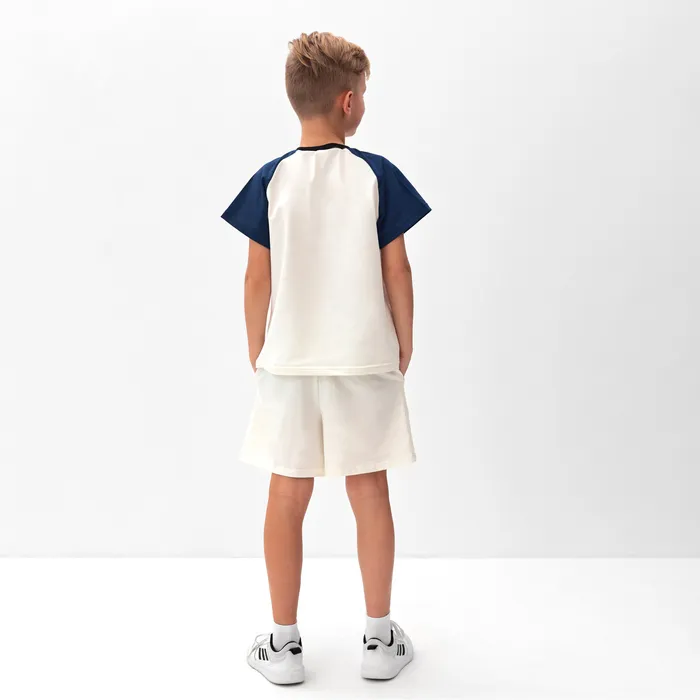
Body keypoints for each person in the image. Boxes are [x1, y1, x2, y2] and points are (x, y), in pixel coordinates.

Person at [221, 30, 431, 685]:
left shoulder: (271, 179)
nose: (364, 102)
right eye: (363, 92)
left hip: (289, 361)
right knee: (370, 491)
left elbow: (257, 277)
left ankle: (283, 645)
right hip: (363, 358)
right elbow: (397, 269)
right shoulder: (376, 175)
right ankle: (379, 638)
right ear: (347, 102)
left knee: (286, 495)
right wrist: (404, 339)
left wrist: (258, 347)